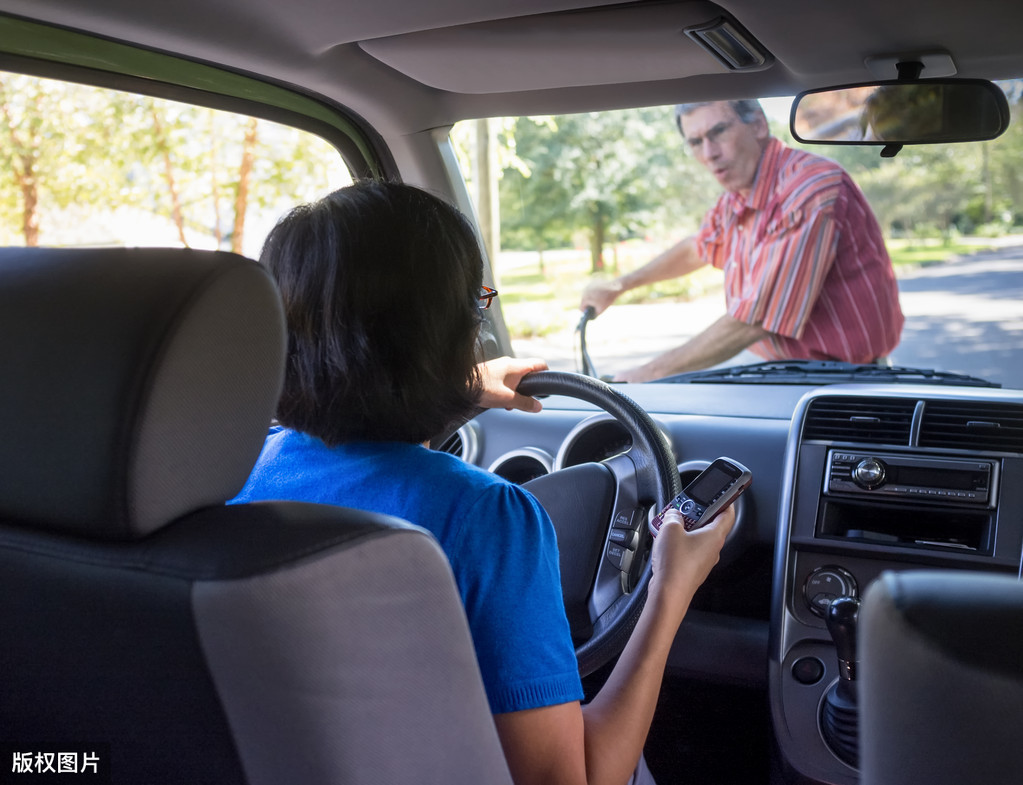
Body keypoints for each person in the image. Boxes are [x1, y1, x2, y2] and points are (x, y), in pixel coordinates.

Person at [232, 180, 735, 785]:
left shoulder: (236, 475)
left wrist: (452, 387)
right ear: (445, 328)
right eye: (477, 301)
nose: (483, 315)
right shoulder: (488, 518)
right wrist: (671, 587)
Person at [580, 99, 905, 382]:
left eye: (718, 132)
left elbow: (757, 319)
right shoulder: (736, 199)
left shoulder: (807, 189)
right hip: (788, 377)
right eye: (695, 142)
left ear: (759, 125)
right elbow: (699, 246)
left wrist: (648, 374)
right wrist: (620, 285)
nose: (709, 154)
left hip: (848, 385)